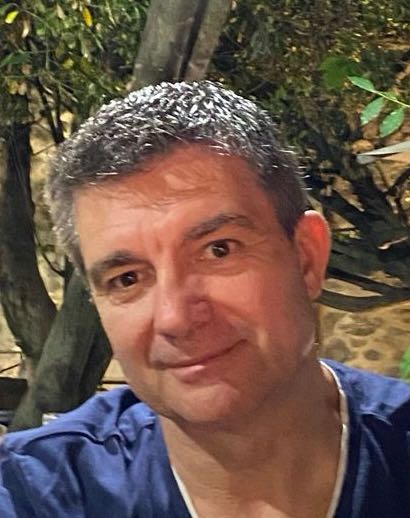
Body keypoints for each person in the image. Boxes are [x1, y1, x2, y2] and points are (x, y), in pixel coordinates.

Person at [0, 81, 409, 518]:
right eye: (127, 279)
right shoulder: (37, 493)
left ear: (306, 257)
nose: (175, 317)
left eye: (219, 250)